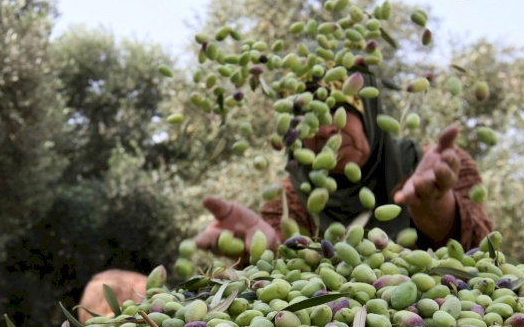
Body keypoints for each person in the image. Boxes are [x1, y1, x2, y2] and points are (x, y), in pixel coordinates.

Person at [194, 73, 493, 257]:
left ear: (368, 114)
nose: (325, 130)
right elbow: (283, 276)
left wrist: (437, 204)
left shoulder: (442, 168)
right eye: (308, 120)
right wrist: (266, 247)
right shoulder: (289, 200)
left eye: (338, 109)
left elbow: (482, 258)